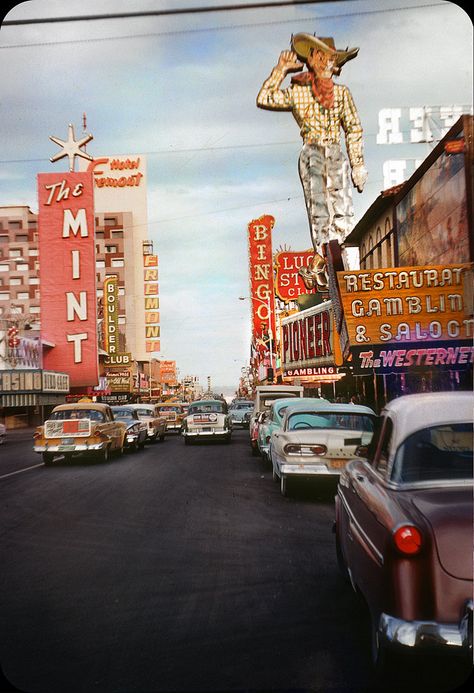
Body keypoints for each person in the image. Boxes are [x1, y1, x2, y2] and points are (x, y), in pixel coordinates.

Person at [257, 33, 368, 282]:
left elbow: (353, 127)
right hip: (312, 151)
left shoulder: (342, 94)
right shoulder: (299, 92)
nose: (323, 61)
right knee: (320, 212)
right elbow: (265, 98)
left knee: (343, 210)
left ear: (334, 61)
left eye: (327, 57)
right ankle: (325, 261)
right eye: (318, 56)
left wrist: (358, 164)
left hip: (336, 151)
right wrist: (280, 70)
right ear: (312, 60)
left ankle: (344, 270)